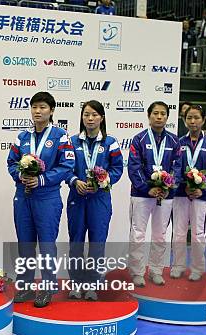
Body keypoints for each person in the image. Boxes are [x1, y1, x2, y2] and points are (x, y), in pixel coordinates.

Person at [7, 92, 75, 307]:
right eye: (34, 107)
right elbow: (11, 162)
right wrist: (21, 175)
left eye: (43, 107)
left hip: (47, 197)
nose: (38, 111)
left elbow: (67, 166)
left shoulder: (60, 136)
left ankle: (47, 288)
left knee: (46, 245)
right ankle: (25, 286)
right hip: (23, 196)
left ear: (52, 110)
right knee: (25, 245)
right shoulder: (23, 137)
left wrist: (42, 180)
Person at [65, 101, 123, 300]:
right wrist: (74, 181)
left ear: (102, 118)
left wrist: (104, 181)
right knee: (76, 243)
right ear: (81, 117)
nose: (90, 119)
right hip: (77, 199)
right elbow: (65, 168)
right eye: (86, 114)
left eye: (94, 115)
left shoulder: (110, 143)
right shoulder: (71, 141)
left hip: (100, 199)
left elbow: (117, 169)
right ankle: (75, 283)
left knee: (97, 243)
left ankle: (92, 285)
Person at [127, 102, 182, 287]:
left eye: (163, 114)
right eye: (155, 113)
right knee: (138, 234)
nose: (159, 117)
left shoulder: (175, 141)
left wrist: (168, 186)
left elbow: (178, 167)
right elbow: (134, 167)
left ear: (167, 117)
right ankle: (137, 272)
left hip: (165, 196)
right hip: (142, 195)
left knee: (160, 234)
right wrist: (147, 188)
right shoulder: (139, 139)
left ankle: (156, 270)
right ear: (149, 116)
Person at [172, 105, 206, 281]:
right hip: (180, 195)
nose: (193, 122)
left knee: (198, 234)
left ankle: (197, 268)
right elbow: (175, 167)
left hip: (202, 196)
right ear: (184, 121)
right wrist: (182, 187)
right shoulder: (179, 142)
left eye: (196, 118)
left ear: (203, 120)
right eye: (189, 118)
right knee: (178, 232)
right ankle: (178, 266)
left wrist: (203, 190)